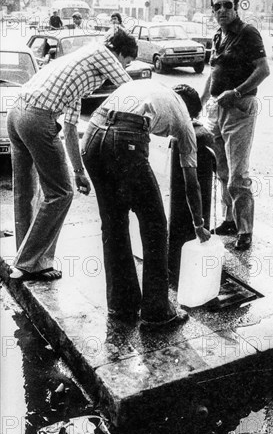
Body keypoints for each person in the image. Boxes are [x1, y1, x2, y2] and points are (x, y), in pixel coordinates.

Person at [7, 29, 137, 281]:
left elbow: (69, 128)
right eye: (126, 61)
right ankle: (30, 263)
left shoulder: (80, 67)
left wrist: (79, 172)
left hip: (17, 114)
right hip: (37, 117)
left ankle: (24, 257)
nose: (123, 66)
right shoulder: (102, 51)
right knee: (61, 193)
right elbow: (129, 86)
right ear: (119, 53)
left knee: (26, 191)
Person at [81, 80, 211, 328]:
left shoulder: (152, 86)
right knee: (154, 226)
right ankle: (157, 310)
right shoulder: (185, 118)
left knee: (114, 223)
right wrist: (198, 224)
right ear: (192, 111)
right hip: (125, 138)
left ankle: (121, 304)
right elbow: (191, 183)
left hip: (92, 134)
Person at [200, 0, 270, 251]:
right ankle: (229, 220)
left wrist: (237, 91)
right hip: (217, 109)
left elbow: (264, 70)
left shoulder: (248, 32)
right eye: (216, 7)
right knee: (221, 169)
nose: (221, 11)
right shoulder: (218, 35)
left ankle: (244, 230)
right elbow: (212, 73)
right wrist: (201, 100)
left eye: (226, 5)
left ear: (236, 6)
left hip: (239, 108)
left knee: (237, 175)